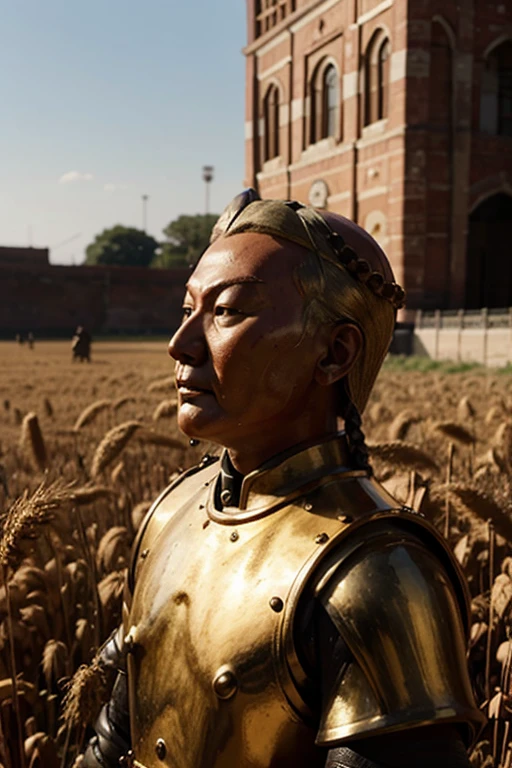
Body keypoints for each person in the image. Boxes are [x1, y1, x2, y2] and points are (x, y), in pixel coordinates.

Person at [82, 190, 485, 768]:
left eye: (226, 312)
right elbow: (113, 740)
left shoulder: (377, 574)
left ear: (334, 352)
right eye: (187, 308)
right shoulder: (172, 513)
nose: (181, 344)